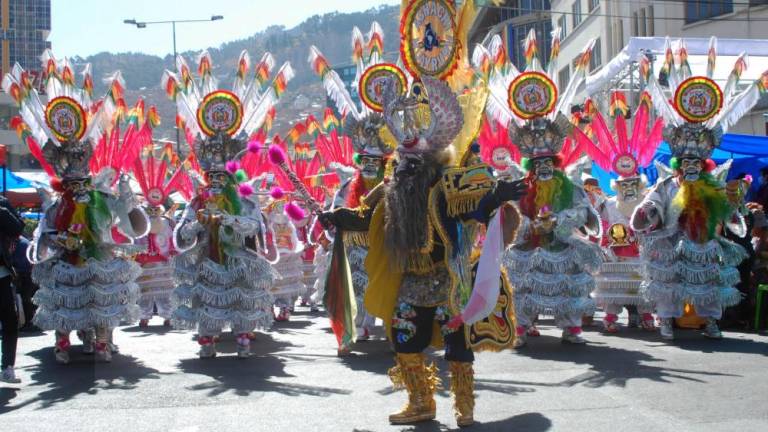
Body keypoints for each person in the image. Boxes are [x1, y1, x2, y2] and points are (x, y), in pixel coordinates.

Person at [321, 74, 526, 427]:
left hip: (448, 283)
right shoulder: (390, 191)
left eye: (414, 164)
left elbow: (472, 209)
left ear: (431, 163)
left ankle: (464, 406)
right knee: (404, 343)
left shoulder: (447, 187)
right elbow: (364, 217)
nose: (405, 169)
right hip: (410, 283)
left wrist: (497, 197)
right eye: (402, 162)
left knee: (457, 348)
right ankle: (421, 402)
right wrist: (336, 217)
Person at [9, 54, 150, 364]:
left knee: (101, 300)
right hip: (67, 260)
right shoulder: (57, 203)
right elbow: (44, 236)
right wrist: (57, 241)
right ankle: (63, 342)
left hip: (98, 257)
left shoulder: (101, 197)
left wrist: (127, 196)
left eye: (81, 183)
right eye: (71, 184)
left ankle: (100, 341)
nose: (78, 189)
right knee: (64, 301)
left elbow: (133, 227)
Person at [631, 38, 765, 340]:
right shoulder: (667, 183)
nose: (691, 166)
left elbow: (730, 213)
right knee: (668, 285)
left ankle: (711, 322)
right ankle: (667, 320)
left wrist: (734, 204)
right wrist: (648, 212)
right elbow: (653, 204)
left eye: (696, 162)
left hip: (702, 240)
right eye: (686, 162)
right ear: (680, 163)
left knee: (708, 285)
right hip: (669, 241)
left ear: (702, 163)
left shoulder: (712, 184)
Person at [167, 51, 289, 358]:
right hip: (207, 259)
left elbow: (254, 226)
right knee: (207, 300)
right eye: (213, 177)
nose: (217, 182)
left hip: (237, 257)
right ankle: (207, 340)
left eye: (223, 177)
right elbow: (181, 236)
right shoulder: (196, 200)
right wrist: (200, 222)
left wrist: (228, 220)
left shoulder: (243, 199)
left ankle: (243, 339)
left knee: (239, 298)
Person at [575, 91, 663, 333]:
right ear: (617, 186)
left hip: (640, 254)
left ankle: (645, 316)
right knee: (613, 288)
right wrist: (601, 245)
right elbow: (601, 226)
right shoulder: (609, 204)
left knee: (643, 288)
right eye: (625, 185)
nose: (629, 189)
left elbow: (655, 226)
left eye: (633, 185)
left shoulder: (647, 203)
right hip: (615, 254)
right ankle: (611, 318)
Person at [1, 195, 24, 383]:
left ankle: (8, 367)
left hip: (2, 274)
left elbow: (18, 227)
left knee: (10, 321)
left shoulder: (2, 206)